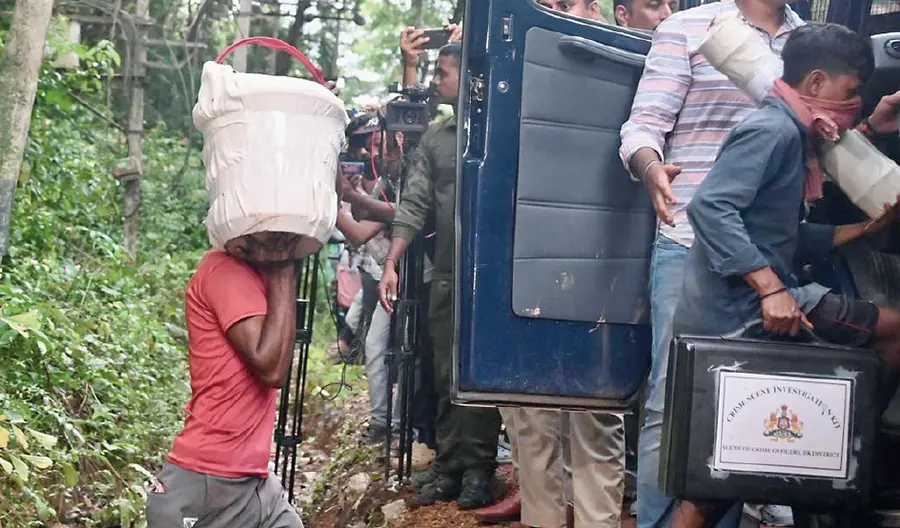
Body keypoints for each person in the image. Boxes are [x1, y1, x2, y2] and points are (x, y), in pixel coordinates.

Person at [671, 22, 900, 528]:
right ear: (816, 83)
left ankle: (834, 444)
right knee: (714, 487)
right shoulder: (771, 130)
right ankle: (843, 439)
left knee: (719, 482)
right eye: (852, 92)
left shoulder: (792, 131)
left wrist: (865, 227)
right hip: (742, 313)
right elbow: (711, 209)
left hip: (764, 300)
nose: (855, 104)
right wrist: (770, 288)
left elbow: (782, 234)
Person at [619, 1, 807, 525]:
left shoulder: (808, 40)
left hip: (773, 256)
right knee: (676, 400)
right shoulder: (687, 27)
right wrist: (651, 167)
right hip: (692, 243)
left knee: (751, 400)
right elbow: (641, 127)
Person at [379, 42, 502, 510]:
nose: (435, 81)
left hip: (493, 277)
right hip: (448, 273)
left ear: (469, 77)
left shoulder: (500, 125)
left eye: (444, 73)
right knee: (444, 370)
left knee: (480, 373)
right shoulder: (435, 137)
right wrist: (391, 261)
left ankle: (479, 469)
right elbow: (413, 204)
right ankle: (450, 465)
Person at [145, 236, 304, 527]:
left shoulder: (258, 271)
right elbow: (272, 368)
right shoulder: (226, 271)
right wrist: (284, 270)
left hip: (252, 481)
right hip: (207, 484)